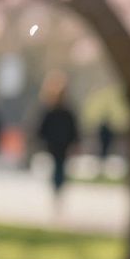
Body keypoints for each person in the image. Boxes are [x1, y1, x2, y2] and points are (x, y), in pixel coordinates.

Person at [36, 72, 80, 214]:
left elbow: (73, 128)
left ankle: (58, 189)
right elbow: (42, 128)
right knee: (58, 167)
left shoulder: (63, 111)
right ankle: (57, 189)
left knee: (59, 167)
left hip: (59, 144)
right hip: (57, 144)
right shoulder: (54, 111)